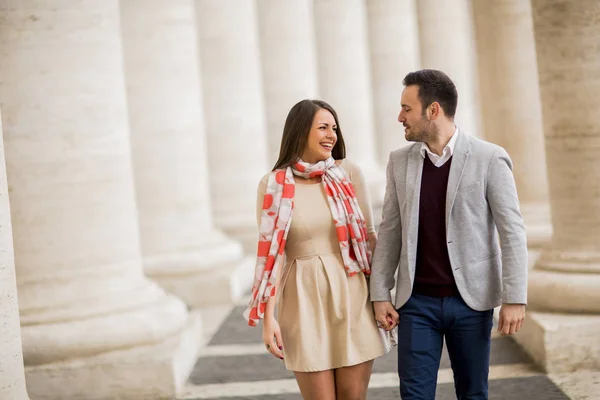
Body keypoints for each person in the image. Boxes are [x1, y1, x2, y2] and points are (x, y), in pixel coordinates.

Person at [370, 69, 528, 400]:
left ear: (433, 110)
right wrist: (380, 292)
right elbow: (390, 230)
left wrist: (515, 298)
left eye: (406, 108)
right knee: (414, 396)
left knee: (473, 394)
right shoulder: (399, 162)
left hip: (471, 302)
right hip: (415, 304)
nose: (400, 117)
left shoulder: (489, 157)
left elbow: (511, 230)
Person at [244, 99, 392, 400]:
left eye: (334, 128)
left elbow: (369, 237)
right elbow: (273, 257)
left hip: (353, 295)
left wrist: (381, 298)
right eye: (323, 127)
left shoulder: (347, 172)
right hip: (302, 303)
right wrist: (268, 319)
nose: (331, 135)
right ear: (300, 132)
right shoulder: (272, 185)